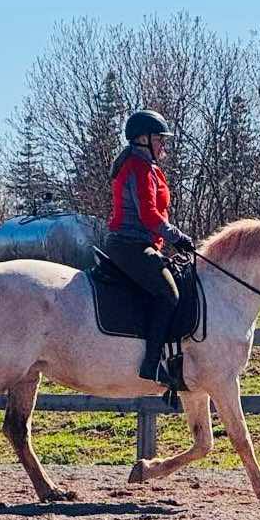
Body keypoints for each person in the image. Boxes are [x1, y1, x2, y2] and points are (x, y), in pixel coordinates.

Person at [105, 109, 196, 385]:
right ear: (142, 139)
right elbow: (148, 215)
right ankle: (151, 364)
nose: (163, 144)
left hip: (141, 243)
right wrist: (177, 237)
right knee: (169, 294)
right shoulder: (138, 167)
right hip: (129, 244)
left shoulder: (148, 167)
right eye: (159, 138)